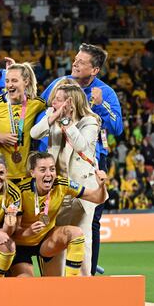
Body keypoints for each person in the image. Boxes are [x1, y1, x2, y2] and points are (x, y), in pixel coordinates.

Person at [41, 43, 123, 275]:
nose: (74, 63)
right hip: (57, 161)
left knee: (90, 222)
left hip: (90, 163)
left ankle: (87, 273)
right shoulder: (61, 84)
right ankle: (55, 274)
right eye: (75, 59)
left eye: (81, 61)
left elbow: (117, 128)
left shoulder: (105, 93)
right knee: (54, 217)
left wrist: (101, 105)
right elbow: (40, 108)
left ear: (94, 70)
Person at [30, 83, 102, 276]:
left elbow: (80, 145)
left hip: (81, 192)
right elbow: (34, 133)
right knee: (55, 238)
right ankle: (54, 284)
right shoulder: (51, 114)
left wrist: (66, 122)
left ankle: (84, 286)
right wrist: (53, 116)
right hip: (57, 189)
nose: (53, 102)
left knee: (83, 240)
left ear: (72, 102)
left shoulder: (90, 122)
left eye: (59, 99)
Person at [11, 152, 108, 277]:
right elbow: (11, 231)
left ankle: (72, 283)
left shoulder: (61, 184)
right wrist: (29, 231)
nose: (48, 174)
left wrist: (101, 186)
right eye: (42, 170)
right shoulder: (19, 191)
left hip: (45, 241)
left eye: (52, 169)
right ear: (32, 173)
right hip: (20, 245)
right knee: (27, 284)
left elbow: (97, 198)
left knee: (76, 233)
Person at [0, 63, 46, 183]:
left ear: (26, 82)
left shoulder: (37, 104)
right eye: (7, 81)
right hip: (0, 174)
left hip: (27, 174)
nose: (9, 85)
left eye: (14, 80)